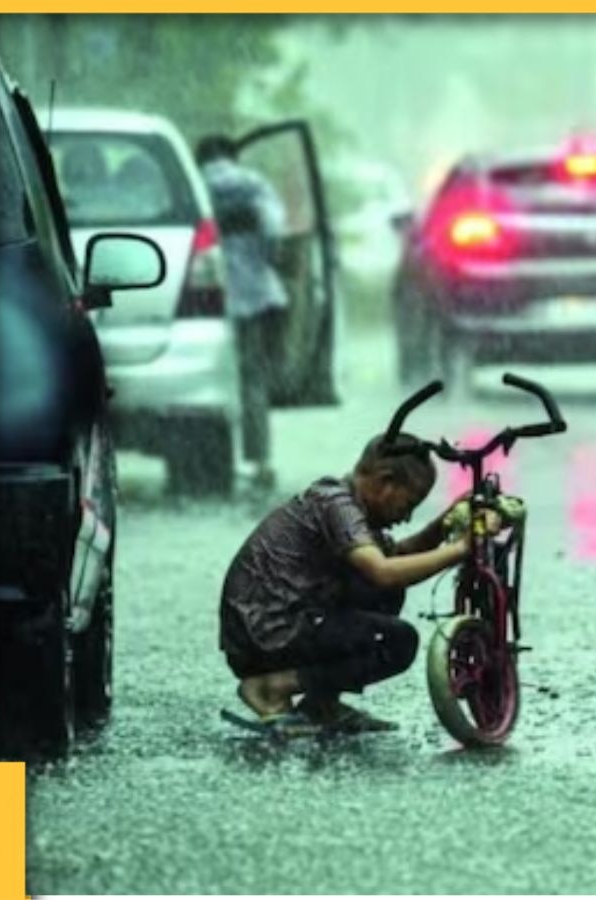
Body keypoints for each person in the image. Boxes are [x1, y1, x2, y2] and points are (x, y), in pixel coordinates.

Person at [219, 432, 500, 734]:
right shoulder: (335, 504)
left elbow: (397, 556)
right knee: (398, 642)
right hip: (266, 634)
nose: (406, 517)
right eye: (408, 503)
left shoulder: (349, 506)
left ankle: (320, 704)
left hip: (272, 629)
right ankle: (271, 688)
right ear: (385, 480)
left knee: (384, 594)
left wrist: (444, 524)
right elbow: (383, 570)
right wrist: (459, 550)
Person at [196, 135, 287, 492]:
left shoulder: (195, 184)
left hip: (205, 299)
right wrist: (264, 258)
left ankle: (207, 462)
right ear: (232, 155)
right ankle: (257, 460)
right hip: (256, 295)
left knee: (207, 382)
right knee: (254, 380)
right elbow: (273, 228)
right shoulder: (253, 184)